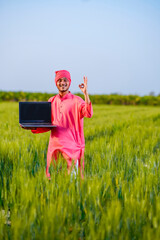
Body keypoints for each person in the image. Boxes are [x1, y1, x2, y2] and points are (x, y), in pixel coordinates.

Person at [23, 70, 93, 179]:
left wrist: (85, 94)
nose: (62, 83)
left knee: (71, 183)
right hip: (54, 149)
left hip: (72, 150)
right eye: (59, 80)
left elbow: (88, 113)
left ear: (69, 82)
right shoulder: (51, 101)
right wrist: (32, 127)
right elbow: (46, 124)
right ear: (56, 83)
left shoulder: (77, 100)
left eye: (65, 80)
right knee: (55, 183)